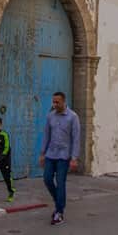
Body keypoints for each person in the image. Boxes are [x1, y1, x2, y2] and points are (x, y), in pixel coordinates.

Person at [38, 91, 81, 226]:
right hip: (51, 154)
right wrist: (42, 153)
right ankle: (59, 203)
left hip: (64, 156)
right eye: (54, 102)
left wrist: (74, 158)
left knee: (60, 182)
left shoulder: (73, 117)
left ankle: (59, 212)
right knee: (47, 179)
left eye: (57, 102)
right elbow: (46, 135)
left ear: (63, 101)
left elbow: (76, 138)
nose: (55, 104)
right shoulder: (50, 116)